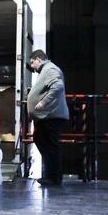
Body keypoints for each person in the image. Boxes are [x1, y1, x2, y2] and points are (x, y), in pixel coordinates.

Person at [27, 49, 69, 186]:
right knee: (41, 140)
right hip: (46, 117)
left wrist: (43, 102)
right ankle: (51, 175)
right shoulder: (46, 70)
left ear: (39, 59)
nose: (32, 67)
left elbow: (57, 86)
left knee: (50, 145)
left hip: (51, 116)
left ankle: (53, 177)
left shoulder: (50, 69)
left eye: (32, 62)